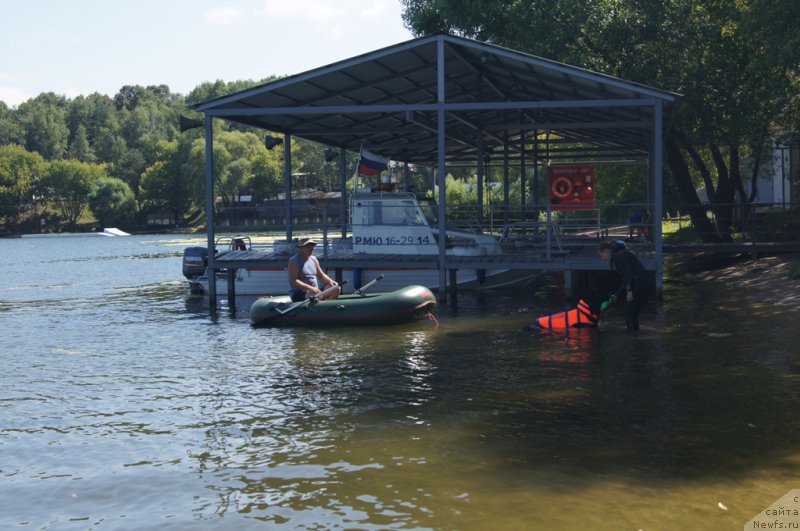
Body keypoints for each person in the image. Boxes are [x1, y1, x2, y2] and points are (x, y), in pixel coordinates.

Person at [597, 240, 654, 331]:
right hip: (642, 284)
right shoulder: (619, 255)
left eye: (602, 255)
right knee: (630, 316)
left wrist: (629, 291)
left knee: (630, 316)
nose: (603, 259)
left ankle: (634, 337)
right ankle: (636, 336)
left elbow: (629, 275)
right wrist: (617, 295)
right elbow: (626, 279)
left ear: (607, 251)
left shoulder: (618, 257)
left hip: (640, 285)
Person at [288, 238, 339, 302]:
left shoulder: (314, 259)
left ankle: (327, 306)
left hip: (315, 291)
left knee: (336, 288)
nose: (311, 248)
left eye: (312, 246)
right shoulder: (294, 261)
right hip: (299, 293)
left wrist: (330, 281)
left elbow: (321, 275)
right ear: (301, 248)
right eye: (308, 246)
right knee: (315, 295)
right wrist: (310, 288)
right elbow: (293, 281)